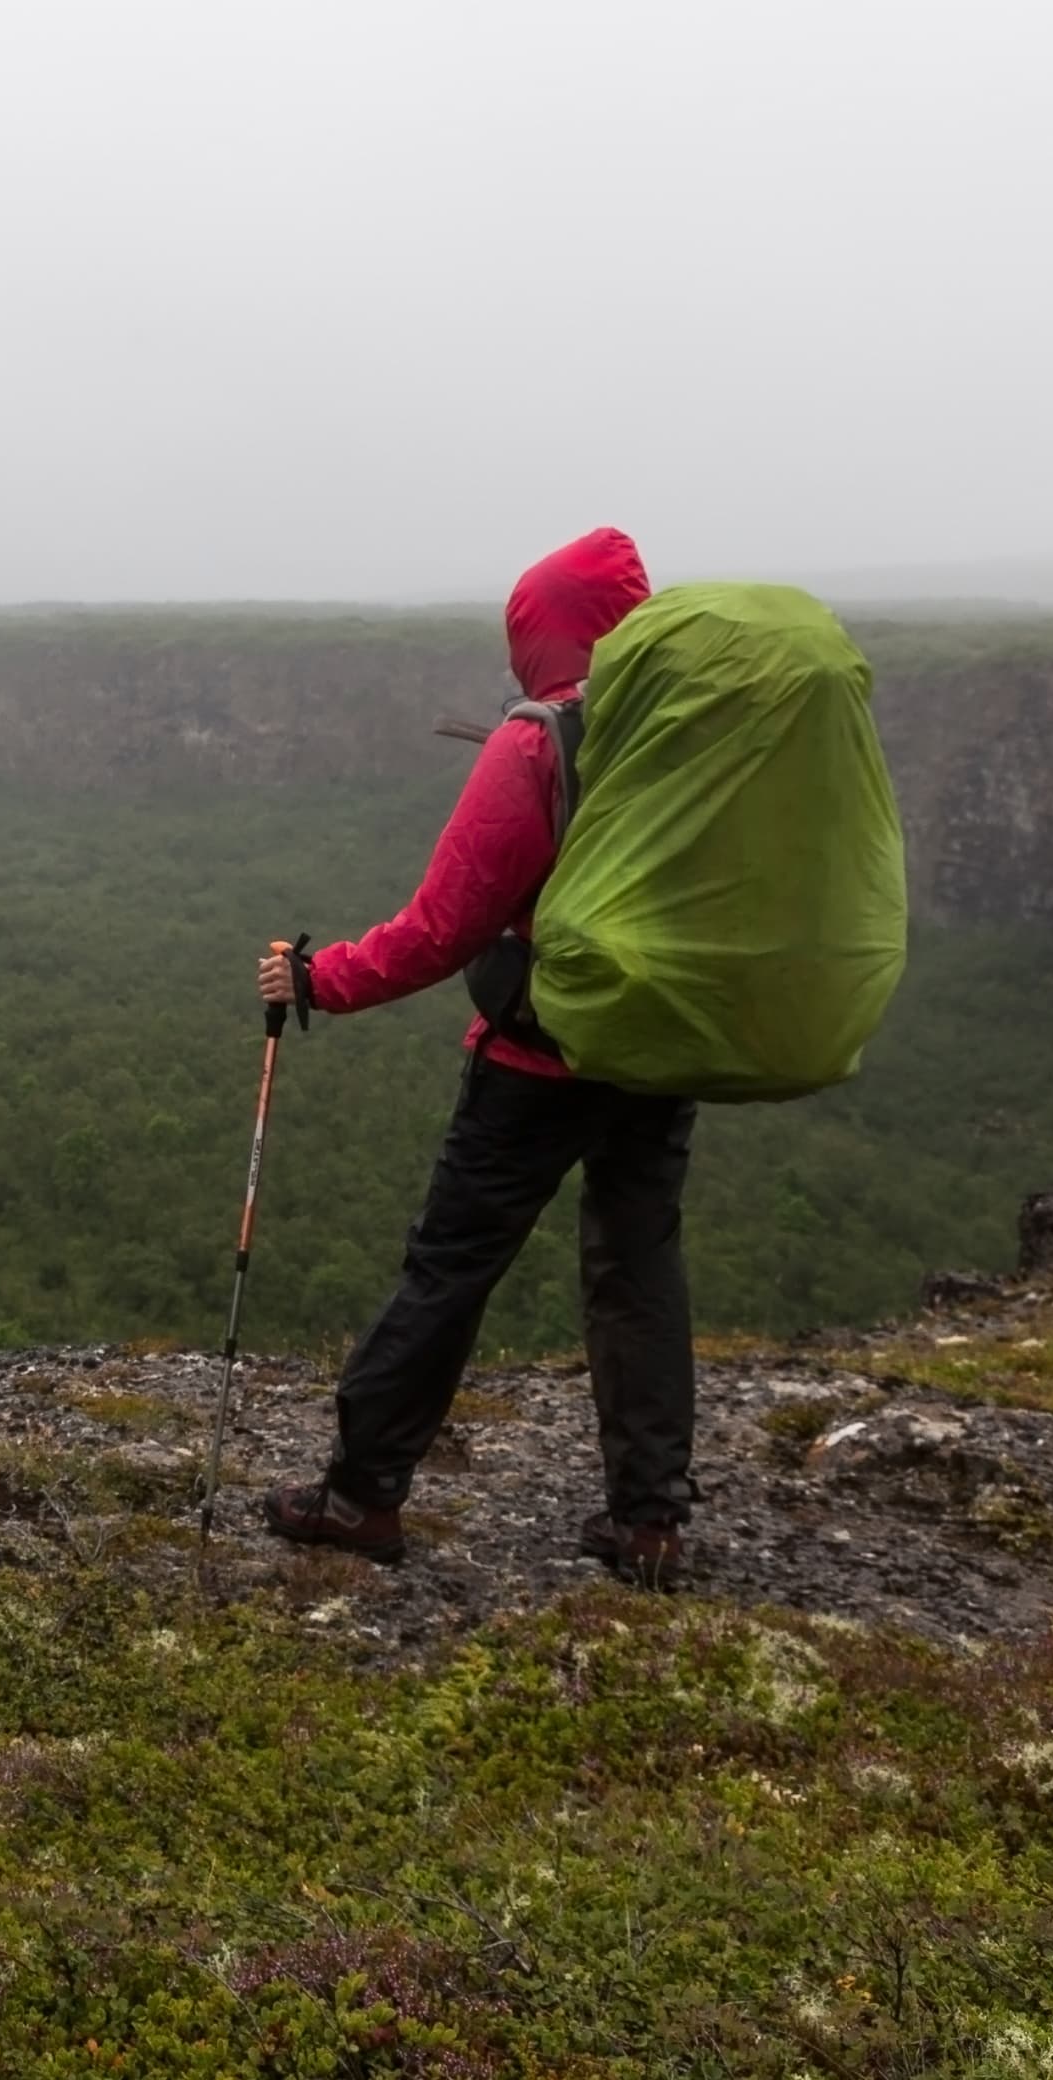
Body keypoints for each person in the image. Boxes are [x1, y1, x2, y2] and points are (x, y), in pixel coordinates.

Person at [252, 526, 697, 1582]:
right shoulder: (693, 734)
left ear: (546, 633)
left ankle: (362, 1496)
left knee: (451, 1266)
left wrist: (320, 980)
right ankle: (650, 1521)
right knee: (640, 1269)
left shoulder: (541, 743)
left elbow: (443, 925)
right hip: (666, 1049)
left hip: (539, 1061)